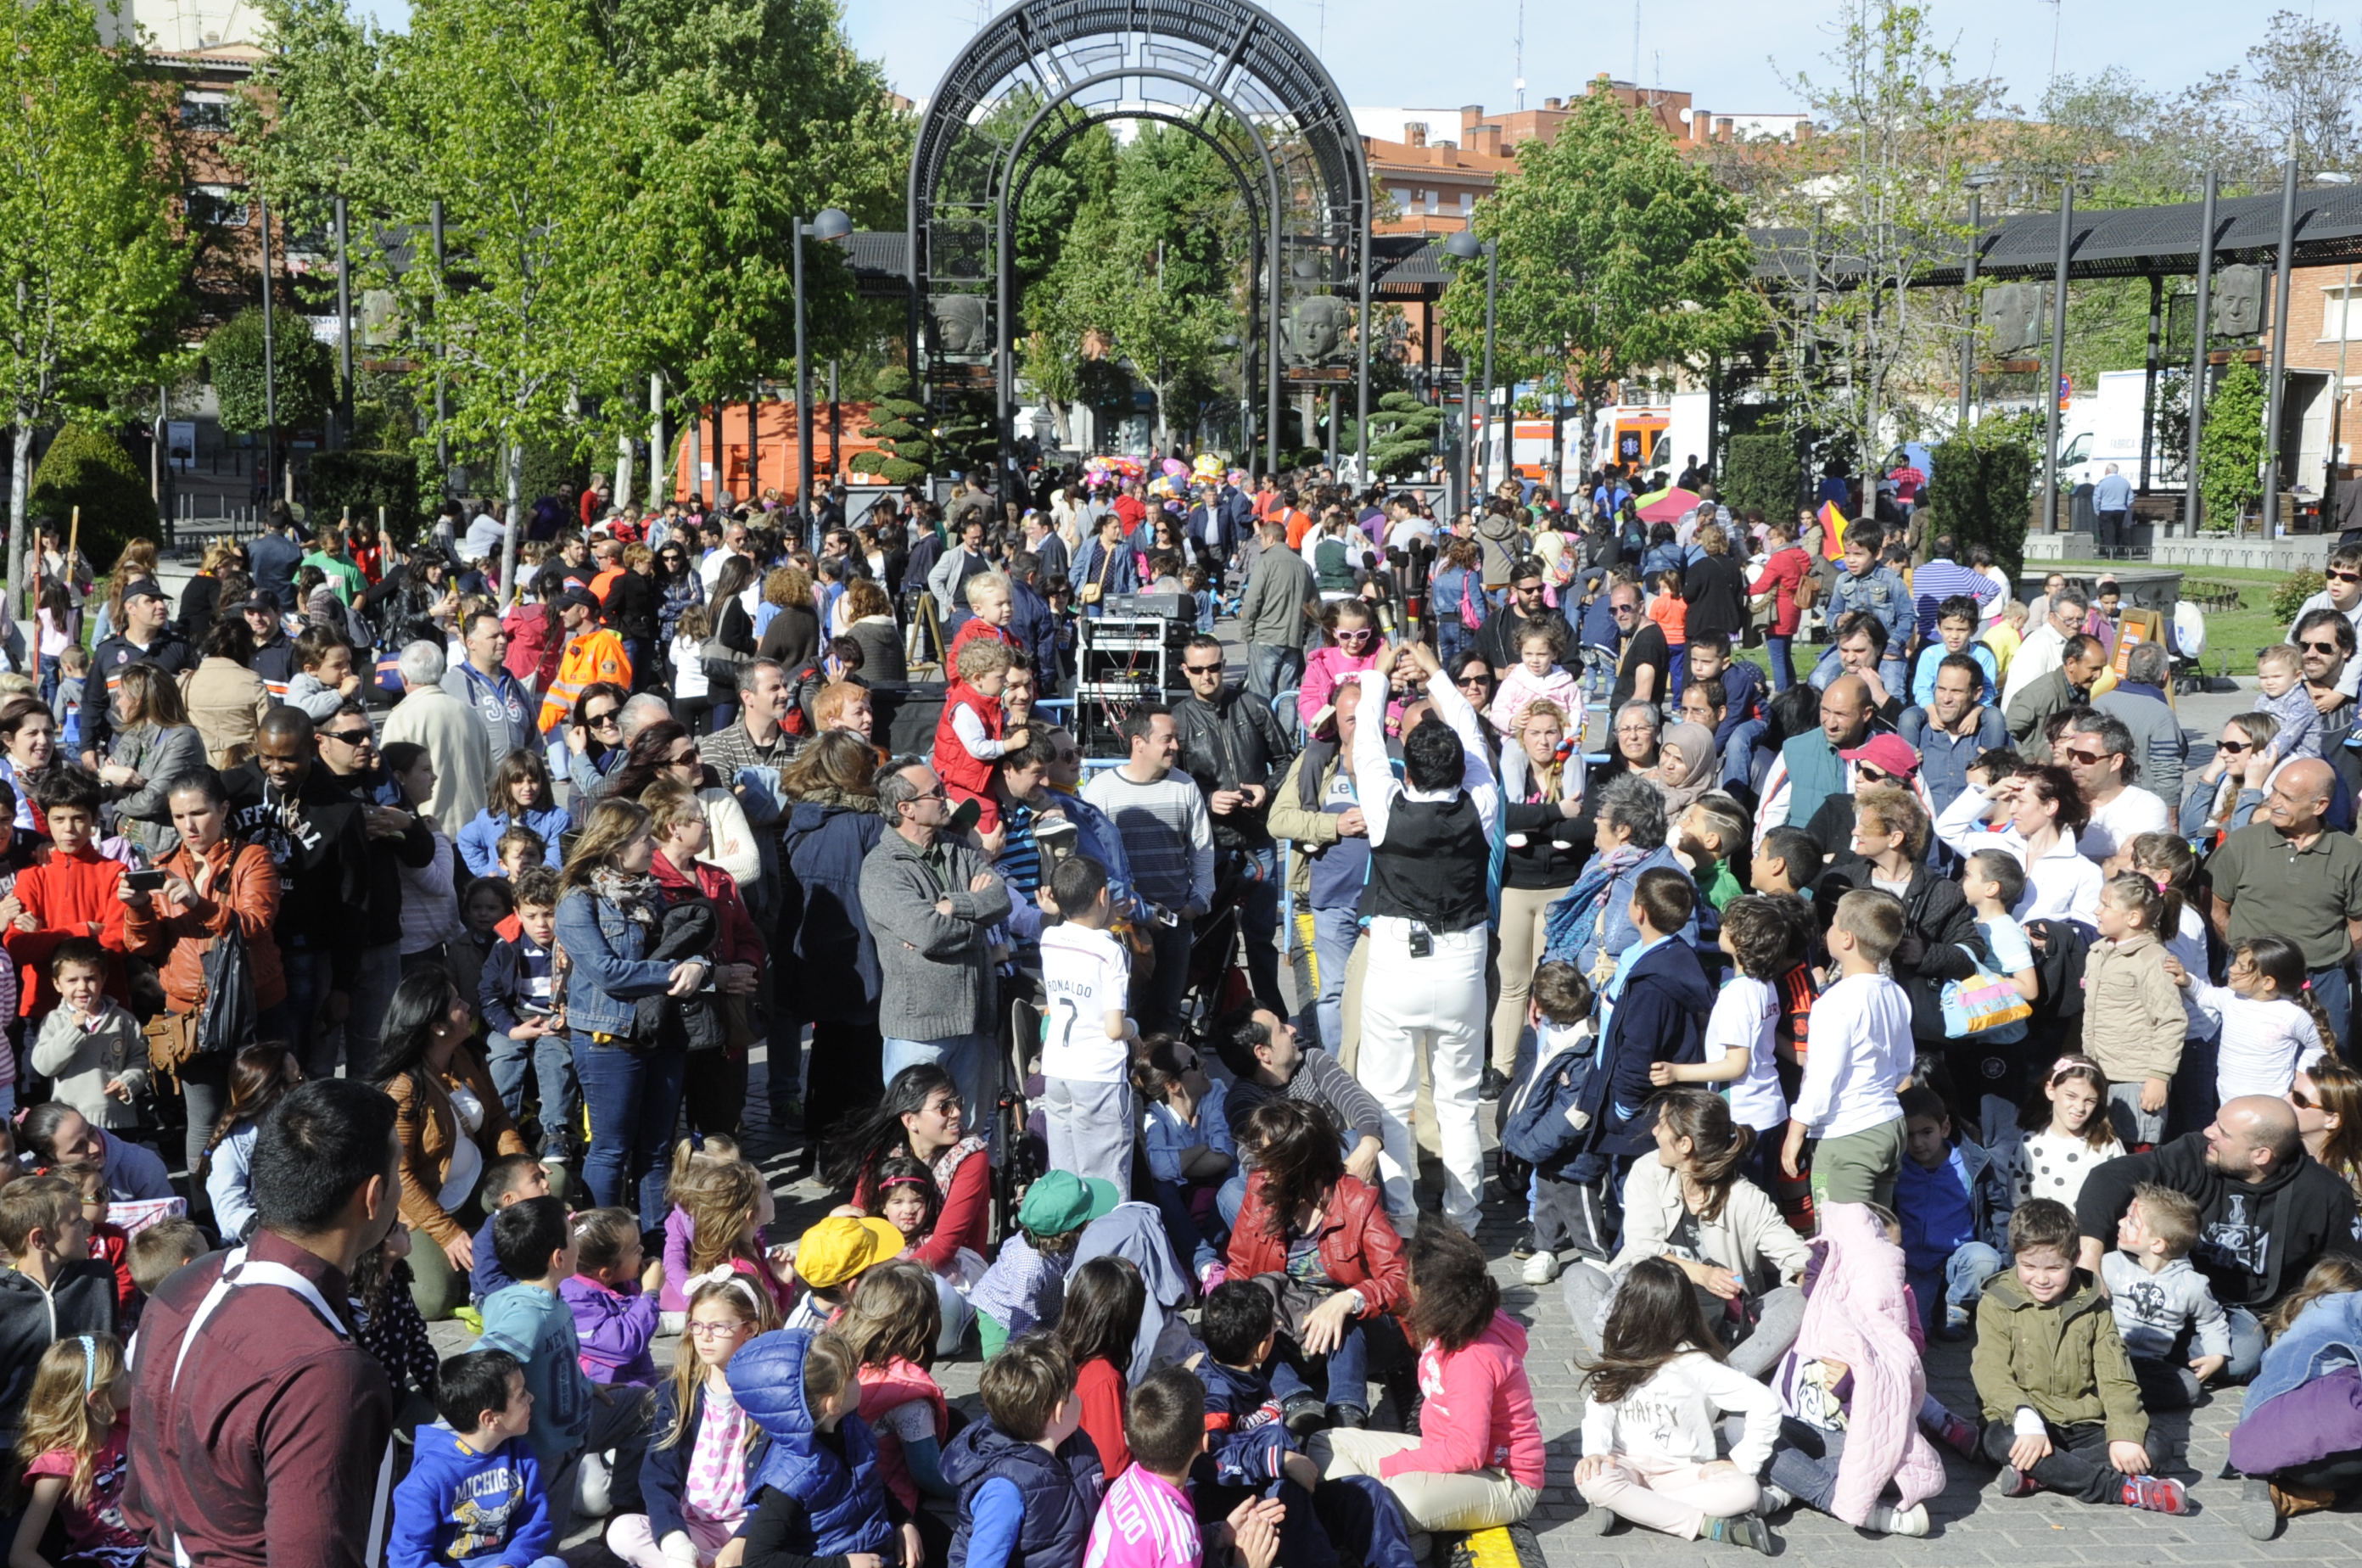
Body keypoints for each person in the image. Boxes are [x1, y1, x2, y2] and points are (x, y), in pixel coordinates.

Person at [125, 1078, 402, 1565]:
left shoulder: (182, 1288)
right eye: (399, 1169)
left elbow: (142, 1501)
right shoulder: (325, 1373)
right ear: (373, 1196)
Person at [1344, 647, 1497, 1235]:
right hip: (1460, 962)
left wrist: (1379, 676)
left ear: (1409, 771)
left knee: (1389, 1098)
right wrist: (1435, 672)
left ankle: (1404, 1217)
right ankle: (1464, 1218)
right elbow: (1474, 740)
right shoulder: (1480, 802)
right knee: (1458, 1102)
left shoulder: (1385, 807)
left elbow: (1364, 747)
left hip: (1397, 961)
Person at [2077, 1094, 2362, 1386]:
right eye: (2216, 1121)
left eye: (2223, 1132)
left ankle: (2134, 1359)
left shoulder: (2323, 1193)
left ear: (2261, 1155)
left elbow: (2346, 1274)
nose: (2208, 1132)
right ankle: (2135, 1356)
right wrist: (2090, 1255)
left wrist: (2295, 1318)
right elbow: (2109, 1176)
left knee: (2243, 1355)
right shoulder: (2196, 1152)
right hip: (2158, 1287)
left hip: (2231, 1312)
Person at [120, 770, 288, 1181]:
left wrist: (199, 903)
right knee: (204, 1119)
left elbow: (255, 924)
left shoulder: (253, 859)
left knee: (268, 1113)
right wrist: (139, 907)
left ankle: (276, 1208)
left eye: (199, 812)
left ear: (224, 809)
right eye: (179, 817)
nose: (189, 826)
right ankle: (206, 1214)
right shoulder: (163, 867)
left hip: (255, 1007)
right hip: (189, 1014)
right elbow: (143, 947)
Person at [1973, 1198, 2185, 1512]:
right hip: (2024, 1419)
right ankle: (2122, 1490)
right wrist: (2024, 1416)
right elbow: (1990, 1370)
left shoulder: (2093, 1302)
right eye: (2028, 1266)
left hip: (2084, 1420)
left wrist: (2124, 1432)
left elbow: (2116, 1375)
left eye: (2055, 1268)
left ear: (2074, 1259)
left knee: (2156, 1445)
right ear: (2015, 1258)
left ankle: (2044, 1475)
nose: (2041, 1279)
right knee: (2002, 1443)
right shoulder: (1996, 1301)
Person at [556, 798, 708, 1228]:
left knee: (658, 1147)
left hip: (662, 1032)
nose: (655, 846)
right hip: (609, 1038)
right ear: (616, 845)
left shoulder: (651, 890)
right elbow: (608, 973)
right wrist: (675, 972)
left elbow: (685, 945)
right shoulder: (578, 901)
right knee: (611, 1147)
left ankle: (656, 1241)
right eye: (645, 838)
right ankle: (603, 1237)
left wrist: (700, 964)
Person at [1574, 1256, 1780, 1552]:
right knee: (1593, 1479)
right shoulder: (1624, 1346)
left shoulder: (1696, 1364)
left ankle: (1628, 1507)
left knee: (1745, 1489)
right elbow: (1601, 1405)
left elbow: (1766, 1403)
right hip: (1624, 1463)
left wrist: (1742, 1461)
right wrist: (1595, 1451)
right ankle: (1708, 1526)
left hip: (1683, 1473)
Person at [477, 1196, 652, 1537]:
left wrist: (584, 1384)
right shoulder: (527, 1314)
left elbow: (554, 1360)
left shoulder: (552, 1297)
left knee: (650, 1406)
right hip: (547, 1452)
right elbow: (479, 1365)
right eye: (573, 1235)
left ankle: (626, 1515)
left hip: (578, 1418)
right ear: (560, 1257)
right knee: (543, 1543)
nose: (579, 1240)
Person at [863, 758, 1010, 1156]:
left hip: (976, 1020)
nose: (947, 797)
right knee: (913, 1144)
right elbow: (928, 932)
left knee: (971, 1140)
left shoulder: (959, 848)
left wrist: (950, 905)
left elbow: (999, 898)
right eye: (936, 793)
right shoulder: (882, 868)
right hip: (919, 1027)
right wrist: (973, 918)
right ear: (905, 809)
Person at [373, 967, 533, 1322]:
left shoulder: (468, 1056)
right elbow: (399, 1175)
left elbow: (498, 1121)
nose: (467, 1005)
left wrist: (523, 1165)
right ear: (438, 1025)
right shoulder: (403, 1088)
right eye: (457, 1002)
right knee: (433, 1300)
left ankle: (492, 1256)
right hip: (424, 1209)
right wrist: (447, 1234)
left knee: (548, 1185)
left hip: (477, 1184)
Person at [609, 1272, 779, 1568]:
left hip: (749, 1532)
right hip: (693, 1526)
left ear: (750, 1329)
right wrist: (676, 1540)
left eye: (718, 1327)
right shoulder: (679, 1393)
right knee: (622, 1531)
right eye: (697, 1325)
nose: (705, 1336)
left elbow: (781, 1484)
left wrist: (744, 1538)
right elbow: (656, 1475)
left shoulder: (770, 1396)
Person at [1171, 635, 1292, 1016]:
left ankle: (1272, 1013)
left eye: (1215, 667)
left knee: (1260, 936)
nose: (1208, 676)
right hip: (1211, 847)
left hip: (1257, 838)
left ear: (1224, 666)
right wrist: (1207, 801)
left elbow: (1288, 760)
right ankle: (1219, 1016)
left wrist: (1266, 788)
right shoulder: (1178, 720)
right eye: (1199, 669)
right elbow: (1171, 783)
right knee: (1213, 938)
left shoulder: (1253, 707)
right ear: (1185, 671)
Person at [2205, 758, 2362, 1051]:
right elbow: (2218, 908)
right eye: (2274, 791)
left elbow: (2359, 923)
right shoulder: (2242, 844)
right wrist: (2245, 955)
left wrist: (2330, 960)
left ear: (2319, 806)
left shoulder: (2350, 853)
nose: (2274, 802)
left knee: (2324, 1077)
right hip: (2252, 980)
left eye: (2287, 798)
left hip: (2321, 983)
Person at [1081, 710, 1211, 1034]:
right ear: (1138, 743)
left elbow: (1203, 849)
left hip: (1174, 920)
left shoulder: (1185, 786)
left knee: (1167, 1012)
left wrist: (1198, 902)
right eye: (1167, 739)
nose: (1175, 746)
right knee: (1124, 1012)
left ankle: (1163, 1082)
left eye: (1175, 738)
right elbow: (1090, 860)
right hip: (1123, 925)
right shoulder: (1101, 790)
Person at [1782, 889, 1913, 1209]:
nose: (1827, 930)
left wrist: (1796, 1130)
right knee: (1879, 1229)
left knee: (1840, 1237)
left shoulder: (1835, 1002)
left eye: (1833, 923)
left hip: (1846, 1135)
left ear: (1847, 939)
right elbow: (1903, 1064)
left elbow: (1822, 1077)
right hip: (1889, 1125)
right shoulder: (1895, 993)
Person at [1084, 1366, 1283, 1568]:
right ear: (1204, 1442)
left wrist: (1222, 1532)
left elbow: (1162, 1550)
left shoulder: (1127, 1480)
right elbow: (1174, 1547)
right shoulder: (1179, 1538)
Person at [390, 1347, 568, 1568]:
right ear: (490, 1418)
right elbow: (407, 1557)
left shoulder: (521, 1456)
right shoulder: (426, 1479)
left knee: (553, 1565)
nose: (531, 1398)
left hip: (500, 1562)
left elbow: (531, 1525)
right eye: (522, 1394)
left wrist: (511, 1564)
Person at [1038, 855, 1137, 1189]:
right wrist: (1133, 1030)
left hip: (1058, 1068)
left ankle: (1069, 1241)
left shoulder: (1048, 940)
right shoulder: (1110, 952)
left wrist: (1058, 911)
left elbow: (1061, 925)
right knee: (1106, 1181)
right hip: (1097, 1074)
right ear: (1103, 896)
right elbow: (1113, 1028)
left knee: (1068, 1179)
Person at [2102, 1184, 2230, 1413]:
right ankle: (2116, 1396)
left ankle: (2113, 1397)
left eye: (2131, 1222)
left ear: (2157, 1244)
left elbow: (2211, 1321)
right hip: (2106, 1355)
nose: (2120, 1222)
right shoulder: (2111, 1264)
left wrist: (2217, 1355)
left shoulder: (2192, 1284)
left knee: (2189, 1387)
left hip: (2148, 1366)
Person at [1934, 762, 2103, 924]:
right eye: (2011, 800)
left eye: (2021, 801)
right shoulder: (1998, 844)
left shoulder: (2084, 871)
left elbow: (2088, 931)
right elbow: (1946, 829)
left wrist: (2052, 937)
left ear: (2050, 806)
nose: (2011, 809)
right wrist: (1990, 792)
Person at [97, 661, 205, 860]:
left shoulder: (183, 739)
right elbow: (100, 792)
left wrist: (117, 799)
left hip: (161, 853)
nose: (117, 703)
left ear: (137, 700)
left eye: (121, 696)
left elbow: (153, 800)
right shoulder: (133, 735)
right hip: (123, 848)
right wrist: (105, 774)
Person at [383, 640, 494, 835]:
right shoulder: (468, 712)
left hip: (429, 830)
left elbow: (388, 783)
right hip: (475, 831)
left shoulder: (401, 717)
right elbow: (491, 777)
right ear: (440, 672)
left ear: (404, 676)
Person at [1988, 1053, 2124, 1212]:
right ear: (2051, 1091)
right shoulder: (2029, 1144)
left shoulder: (2108, 1146)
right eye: (2071, 1096)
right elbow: (2019, 1203)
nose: (2080, 1107)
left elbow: (2119, 1200)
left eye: (2090, 1100)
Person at [2096, 642, 2187, 811]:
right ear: (2165, 676)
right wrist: (2171, 815)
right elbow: (2167, 772)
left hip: (2100, 800)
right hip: (2145, 806)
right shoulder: (2162, 714)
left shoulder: (2098, 704)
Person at [1236, 518, 1313, 703]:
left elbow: (1252, 599)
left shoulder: (1266, 560)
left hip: (1266, 637)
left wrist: (1247, 632)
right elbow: (1313, 604)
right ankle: (1285, 732)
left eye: (1262, 538)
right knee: (1287, 696)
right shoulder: (1303, 565)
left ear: (1270, 538)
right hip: (1292, 639)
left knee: (1261, 696)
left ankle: (1263, 732)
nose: (1261, 542)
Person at [2001, 585, 2088, 713]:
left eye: (2080, 619)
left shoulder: (2068, 641)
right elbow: (2023, 698)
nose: (2075, 625)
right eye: (2068, 620)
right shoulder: (2038, 645)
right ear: (2052, 617)